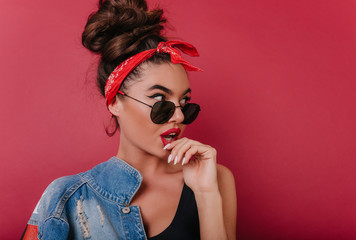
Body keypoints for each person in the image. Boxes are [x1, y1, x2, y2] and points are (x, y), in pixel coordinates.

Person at [21, 0, 237, 239]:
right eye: (159, 100)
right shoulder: (67, 198)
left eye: (185, 104)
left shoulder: (215, 179)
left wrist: (206, 194)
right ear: (114, 102)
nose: (178, 116)